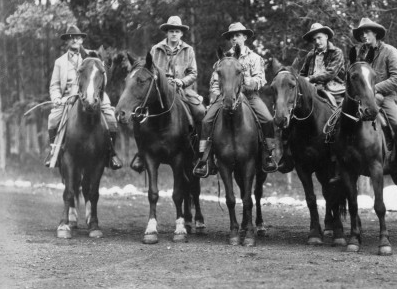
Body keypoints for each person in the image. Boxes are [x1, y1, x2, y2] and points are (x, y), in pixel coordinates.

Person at [193, 22, 277, 177]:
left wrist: (248, 83)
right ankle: (206, 159)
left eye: (238, 35)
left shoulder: (255, 58)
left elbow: (260, 79)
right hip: (226, 97)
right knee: (206, 121)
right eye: (231, 36)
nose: (234, 38)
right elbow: (215, 82)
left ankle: (268, 154)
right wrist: (217, 96)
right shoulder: (222, 60)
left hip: (250, 96)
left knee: (268, 119)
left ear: (245, 37)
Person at [130, 16, 206, 173]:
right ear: (167, 32)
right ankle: (141, 153)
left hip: (182, 89)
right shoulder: (156, 49)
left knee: (200, 112)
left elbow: (193, 73)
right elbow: (149, 70)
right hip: (160, 91)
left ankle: (200, 155)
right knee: (138, 113)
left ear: (181, 34)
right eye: (171, 31)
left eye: (177, 31)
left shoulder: (188, 50)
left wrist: (181, 81)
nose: (174, 34)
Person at [45, 25, 122, 170]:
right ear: (67, 41)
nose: (75, 40)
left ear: (81, 39)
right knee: (53, 119)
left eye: (77, 37)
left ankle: (111, 153)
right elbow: (54, 85)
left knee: (111, 118)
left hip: (93, 93)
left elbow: (102, 78)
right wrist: (56, 98)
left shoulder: (92, 56)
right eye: (71, 38)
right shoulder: (59, 62)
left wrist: (97, 91)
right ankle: (54, 151)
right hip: (68, 97)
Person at [276, 22, 346, 173]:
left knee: (341, 116)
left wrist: (310, 79)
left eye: (319, 38)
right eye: (314, 39)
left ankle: (341, 156)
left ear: (326, 36)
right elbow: (301, 75)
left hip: (334, 89)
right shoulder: (310, 56)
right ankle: (287, 155)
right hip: (312, 91)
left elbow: (331, 72)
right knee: (292, 113)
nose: (317, 42)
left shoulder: (337, 52)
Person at [353, 18, 397, 176]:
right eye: (361, 33)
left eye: (367, 32)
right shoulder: (361, 54)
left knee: (395, 121)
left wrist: (373, 89)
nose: (364, 36)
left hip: (385, 97)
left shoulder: (389, 51)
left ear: (375, 33)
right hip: (363, 98)